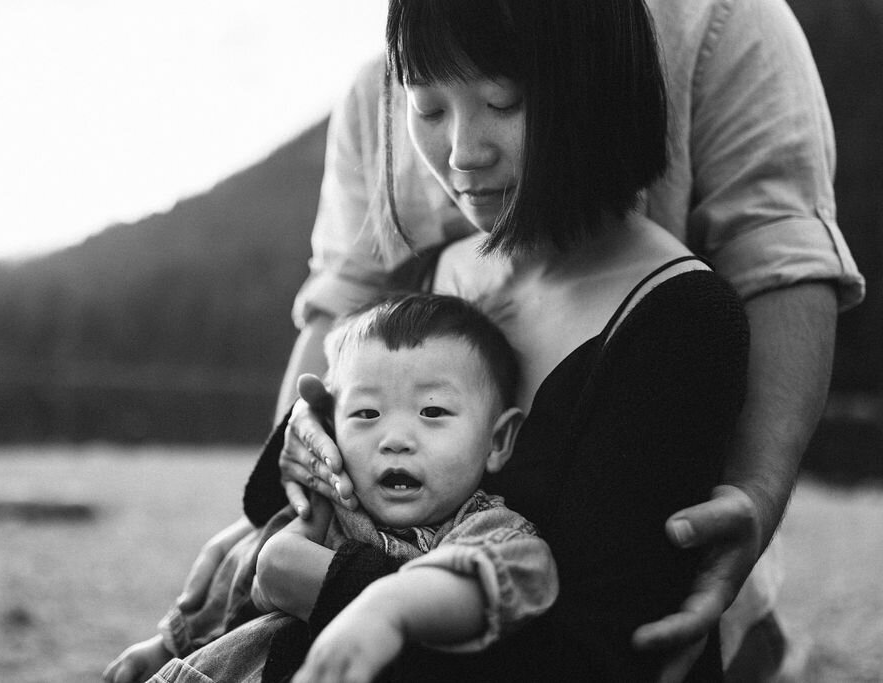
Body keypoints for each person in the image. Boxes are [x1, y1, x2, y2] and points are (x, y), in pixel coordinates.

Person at [179, 0, 865, 679]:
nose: (461, 155)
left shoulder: (672, 319)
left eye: (503, 102)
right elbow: (340, 303)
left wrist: (328, 584)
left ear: (593, 87)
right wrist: (289, 497)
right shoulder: (429, 274)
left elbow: (599, 646)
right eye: (426, 109)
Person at [104, 294, 559, 683]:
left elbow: (500, 580)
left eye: (433, 411)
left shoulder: (483, 527)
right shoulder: (325, 506)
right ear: (329, 425)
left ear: (498, 441)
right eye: (366, 414)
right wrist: (166, 645)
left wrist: (390, 607)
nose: (395, 439)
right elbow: (238, 575)